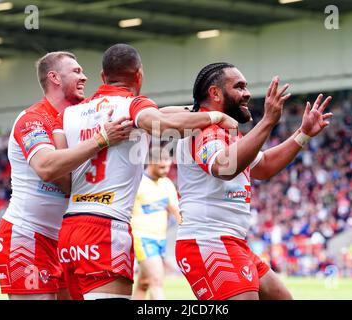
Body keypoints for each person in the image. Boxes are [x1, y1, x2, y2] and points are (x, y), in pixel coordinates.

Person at [55, 43, 238, 300]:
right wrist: (216, 118)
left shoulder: (69, 114)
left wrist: (201, 111)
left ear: (102, 76)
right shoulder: (134, 105)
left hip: (70, 228)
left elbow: (61, 173)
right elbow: (164, 124)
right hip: (106, 225)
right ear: (139, 75)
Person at [174, 62, 333, 300]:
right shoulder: (203, 129)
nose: (247, 93)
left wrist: (303, 134)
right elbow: (224, 166)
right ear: (215, 93)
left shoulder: (228, 132)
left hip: (232, 241)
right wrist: (268, 120)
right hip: (208, 240)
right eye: (239, 86)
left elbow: (265, 165)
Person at [0, 51, 132, 300]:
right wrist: (102, 140)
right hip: (28, 237)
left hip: (67, 241)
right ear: (54, 77)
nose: (85, 77)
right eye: (76, 71)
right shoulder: (33, 119)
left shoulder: (77, 117)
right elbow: (46, 167)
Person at [131, 147, 181, 300]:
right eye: (162, 167)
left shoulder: (167, 183)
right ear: (151, 163)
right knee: (157, 280)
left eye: (168, 166)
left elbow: (176, 211)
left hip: (161, 239)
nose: (166, 170)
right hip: (142, 239)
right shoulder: (138, 183)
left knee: (144, 283)